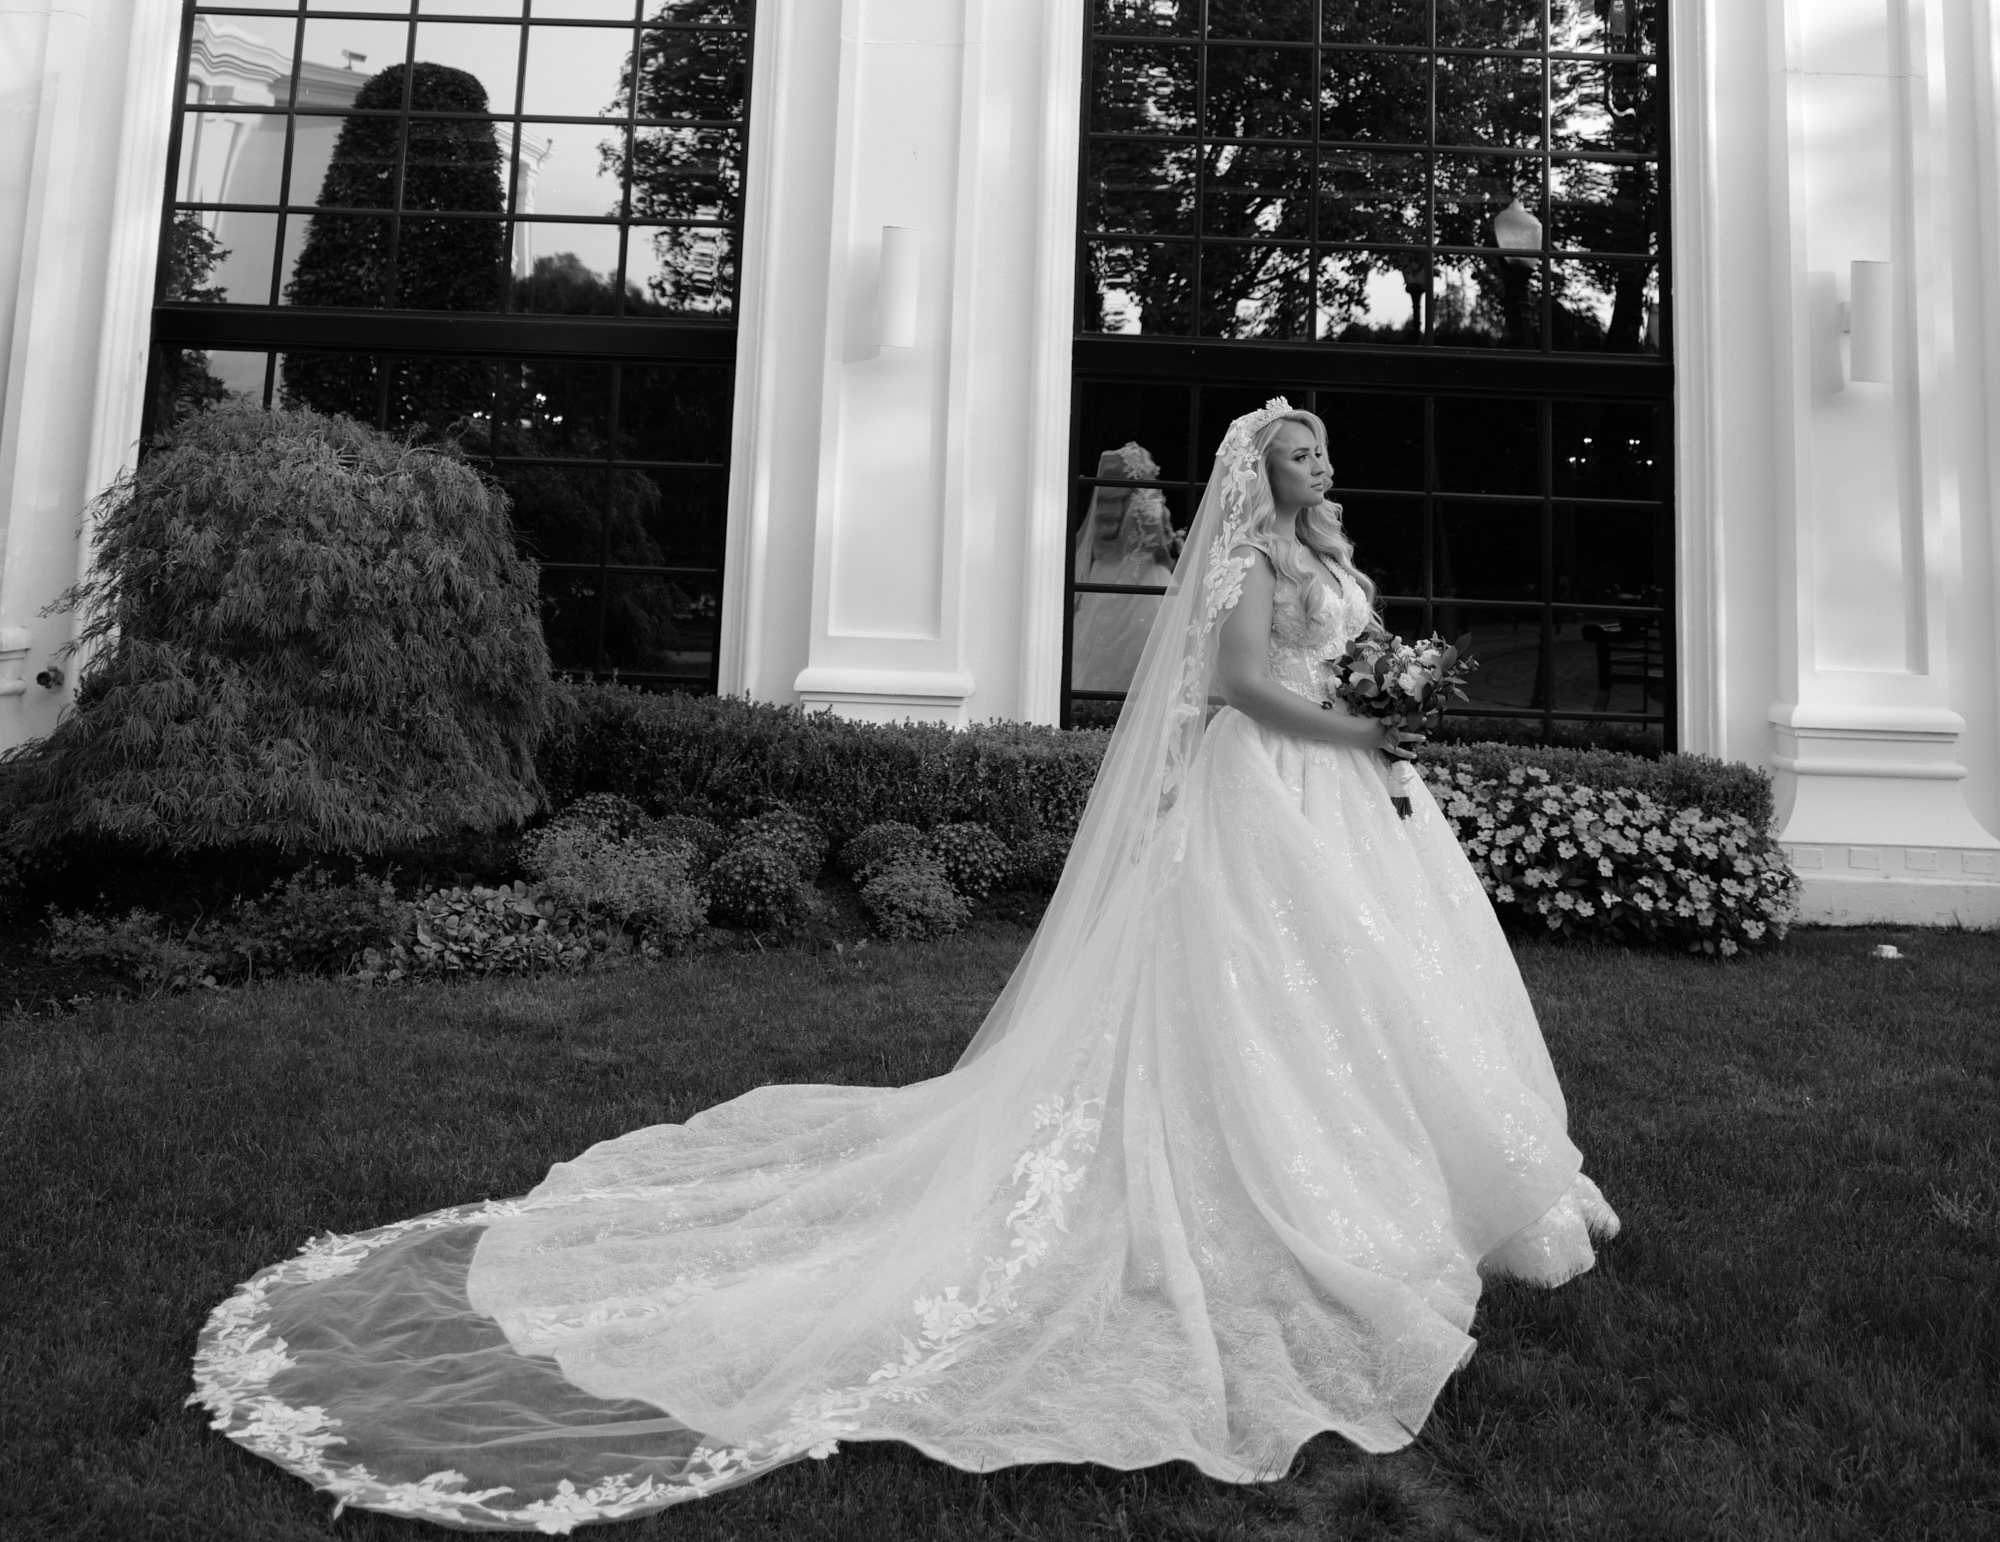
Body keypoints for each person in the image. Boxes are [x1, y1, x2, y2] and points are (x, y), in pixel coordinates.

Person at [193, 398, 1616, 1529]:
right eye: (1289, 452)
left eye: (1317, 452)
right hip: (1279, 787)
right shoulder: (1245, 562)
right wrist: (1355, 726)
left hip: (1360, 804)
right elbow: (1243, 686)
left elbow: (1328, 657)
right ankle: (1273, 1181)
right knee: (1267, 991)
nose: (1309, 467)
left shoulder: (1333, 556)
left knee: (1373, 987)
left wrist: (1386, 703)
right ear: (1257, 472)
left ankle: (1431, 1177)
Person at [1069, 438, 1179, 695]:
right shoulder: (1147, 501)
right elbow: (1155, 546)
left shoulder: (1115, 505)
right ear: (1137, 468)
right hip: (1148, 577)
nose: (1157, 465)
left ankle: (1098, 700)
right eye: (1150, 460)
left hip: (1108, 573)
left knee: (1105, 638)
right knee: (1150, 641)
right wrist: (1172, 555)